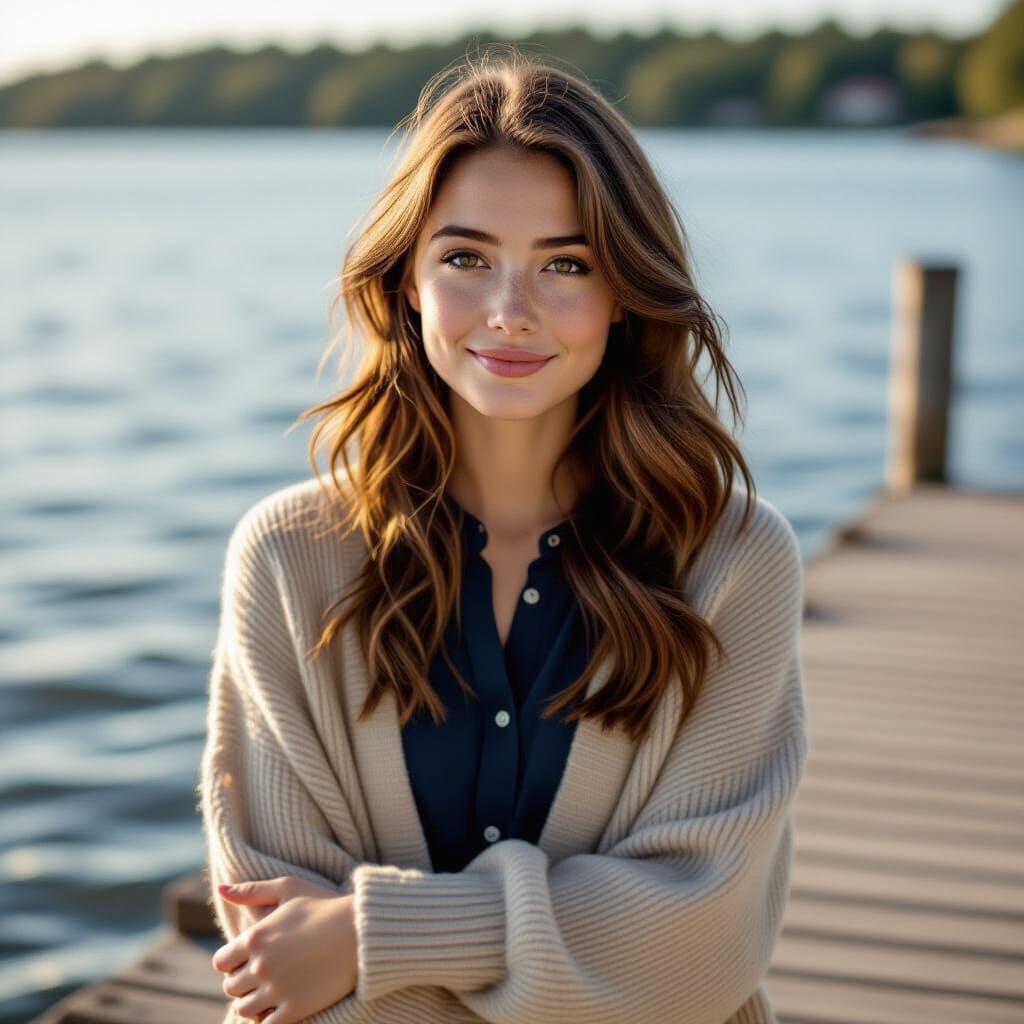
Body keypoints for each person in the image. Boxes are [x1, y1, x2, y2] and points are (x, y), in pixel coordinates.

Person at [197, 44, 808, 1024]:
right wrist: (579, 955)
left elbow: (698, 947)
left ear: (625, 294)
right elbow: (276, 964)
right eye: (466, 259)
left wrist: (370, 939)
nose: (510, 312)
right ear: (406, 281)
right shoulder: (287, 561)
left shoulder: (734, 562)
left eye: (565, 264)